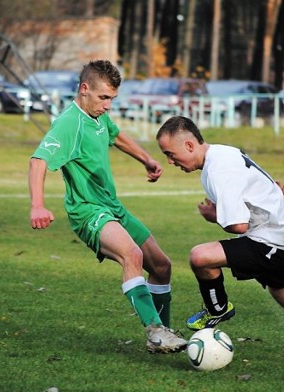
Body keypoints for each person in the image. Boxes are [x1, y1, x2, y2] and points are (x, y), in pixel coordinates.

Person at [28, 60, 187, 354]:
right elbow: (38, 161)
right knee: (132, 254)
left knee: (162, 266)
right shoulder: (69, 123)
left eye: (112, 98)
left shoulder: (98, 115)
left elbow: (115, 135)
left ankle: (163, 334)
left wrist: (146, 159)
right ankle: (155, 332)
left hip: (113, 207)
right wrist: (38, 205)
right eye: (104, 98)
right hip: (88, 211)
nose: (108, 105)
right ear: (84, 89)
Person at [155, 116, 284, 369]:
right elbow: (258, 182)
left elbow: (237, 225)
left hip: (268, 239)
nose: (170, 161)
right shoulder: (221, 153)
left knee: (200, 256)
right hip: (280, 236)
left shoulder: (217, 171)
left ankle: (217, 310)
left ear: (189, 146)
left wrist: (213, 216)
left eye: (171, 154)